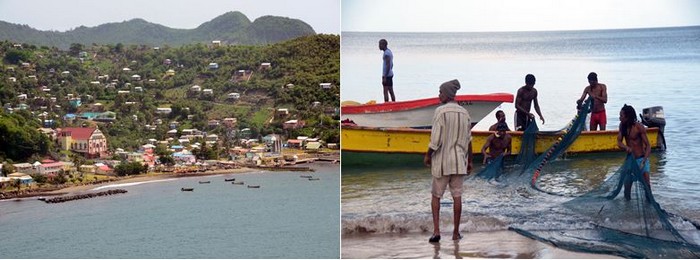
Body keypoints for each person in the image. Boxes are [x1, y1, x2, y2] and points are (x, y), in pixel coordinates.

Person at [423, 79, 473, 243]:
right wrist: (470, 161)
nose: (439, 95)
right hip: (459, 162)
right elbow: (469, 140)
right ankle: (455, 233)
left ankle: (437, 231)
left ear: (446, 94)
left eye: (440, 92)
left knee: (436, 196)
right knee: (457, 197)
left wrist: (428, 154)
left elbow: (436, 140)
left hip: (442, 163)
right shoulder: (465, 113)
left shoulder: (440, 111)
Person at [616, 104, 651, 200]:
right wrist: (625, 147)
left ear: (627, 117)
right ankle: (627, 210)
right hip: (630, 161)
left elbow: (648, 146)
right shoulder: (622, 126)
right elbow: (618, 142)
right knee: (627, 189)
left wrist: (644, 161)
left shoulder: (639, 127)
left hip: (641, 160)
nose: (620, 118)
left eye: (621, 116)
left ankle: (650, 207)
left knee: (647, 188)